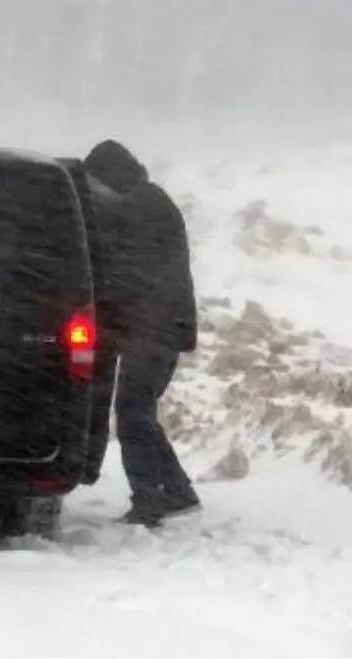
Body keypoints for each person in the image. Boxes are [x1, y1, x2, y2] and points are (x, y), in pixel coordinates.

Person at [82, 139, 200, 527]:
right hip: (157, 326)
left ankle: (150, 499)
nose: (97, 193)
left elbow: (124, 264)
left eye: (97, 184)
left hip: (154, 327)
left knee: (132, 413)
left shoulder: (141, 206)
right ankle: (177, 491)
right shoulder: (150, 201)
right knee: (139, 411)